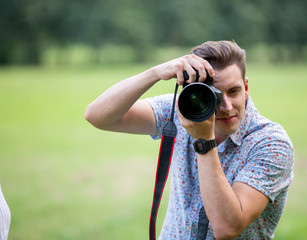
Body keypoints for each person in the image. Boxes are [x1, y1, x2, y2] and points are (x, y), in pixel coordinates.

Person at [85, 40, 294, 240]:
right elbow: (97, 116)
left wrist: (204, 140)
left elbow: (227, 227)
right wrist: (155, 73)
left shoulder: (271, 142)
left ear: (246, 87)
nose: (227, 107)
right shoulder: (183, 111)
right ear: (194, 92)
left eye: (234, 91)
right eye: (216, 96)